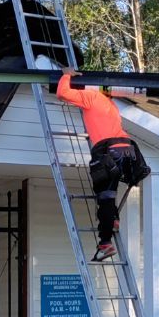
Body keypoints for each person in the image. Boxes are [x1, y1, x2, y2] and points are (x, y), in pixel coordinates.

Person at [56, 70, 149, 261]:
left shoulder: (91, 96)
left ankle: (105, 243)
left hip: (108, 152)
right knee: (110, 190)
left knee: (105, 197)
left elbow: (62, 93)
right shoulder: (111, 103)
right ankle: (113, 220)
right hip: (128, 151)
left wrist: (65, 75)